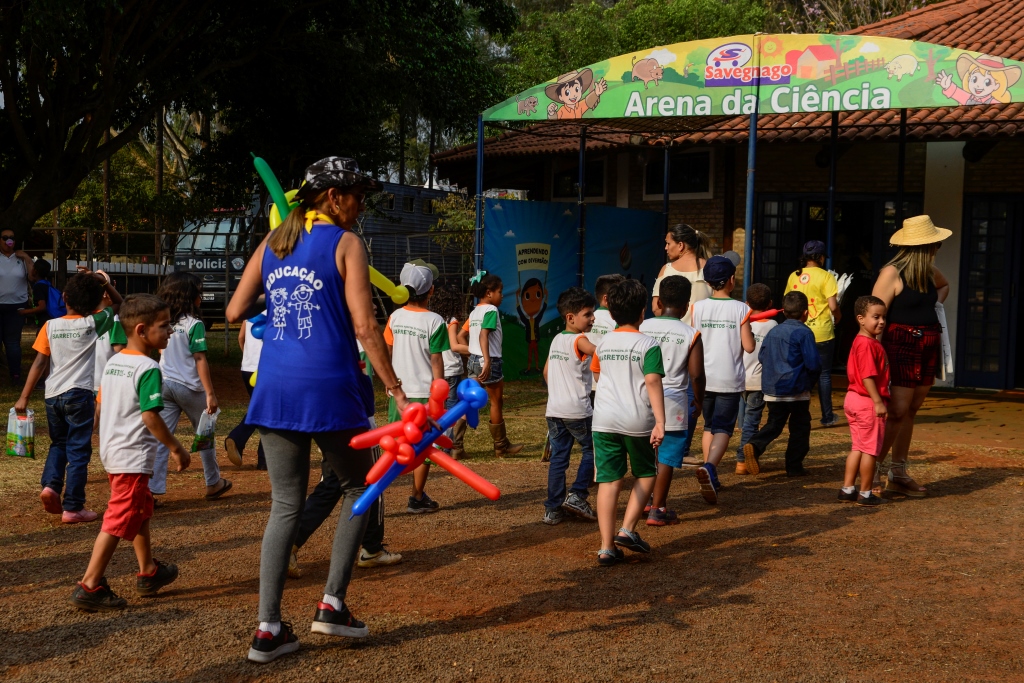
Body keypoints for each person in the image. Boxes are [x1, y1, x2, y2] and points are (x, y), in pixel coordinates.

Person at [227, 156, 410, 663]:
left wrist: (280, 303)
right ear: (334, 196)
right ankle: (332, 605)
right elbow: (365, 325)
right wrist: (395, 389)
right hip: (330, 386)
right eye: (357, 195)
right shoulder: (347, 244)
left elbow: (234, 311)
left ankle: (268, 630)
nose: (361, 205)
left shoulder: (274, 244)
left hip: (276, 388)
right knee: (360, 486)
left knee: (285, 504)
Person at [69, 294, 189, 611]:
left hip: (113, 452)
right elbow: (151, 416)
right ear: (141, 329)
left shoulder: (115, 361)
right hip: (132, 457)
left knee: (141, 508)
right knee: (119, 517)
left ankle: (148, 570)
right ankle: (90, 584)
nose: (170, 333)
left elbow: (101, 404)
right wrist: (176, 448)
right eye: (164, 326)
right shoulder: (149, 368)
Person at [289, 340, 401, 578]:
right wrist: (396, 390)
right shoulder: (357, 333)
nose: (371, 307)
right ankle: (371, 548)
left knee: (331, 485)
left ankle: (291, 542)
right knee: (373, 483)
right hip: (355, 420)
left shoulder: (326, 331)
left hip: (329, 419)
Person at [15, 271, 121, 523]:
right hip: (80, 395)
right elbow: (119, 304)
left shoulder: (49, 326)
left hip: (52, 396)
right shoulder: (93, 323)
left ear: (64, 297)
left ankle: (50, 486)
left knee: (58, 444)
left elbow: (40, 363)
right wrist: (104, 282)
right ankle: (73, 507)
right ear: (95, 302)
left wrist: (24, 397)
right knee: (79, 451)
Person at [871, 215, 951, 498]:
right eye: (936, 243)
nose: (937, 248)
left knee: (912, 409)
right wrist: (873, 355)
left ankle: (899, 472)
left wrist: (935, 309)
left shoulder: (929, 271)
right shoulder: (891, 273)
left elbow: (944, 286)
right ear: (923, 245)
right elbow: (874, 314)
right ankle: (874, 471)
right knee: (897, 411)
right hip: (901, 344)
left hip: (929, 343)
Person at [590, 279, 665, 566]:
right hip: (637, 420)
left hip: (604, 420)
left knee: (609, 481)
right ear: (642, 311)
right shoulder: (648, 343)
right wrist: (660, 421)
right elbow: (652, 380)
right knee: (646, 473)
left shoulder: (603, 341)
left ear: (610, 312)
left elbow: (597, 375)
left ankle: (606, 547)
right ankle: (627, 529)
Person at [150, 272, 231, 501]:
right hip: (190, 388)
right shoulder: (194, 325)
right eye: (199, 291)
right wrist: (210, 394)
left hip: (164, 383)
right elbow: (200, 360)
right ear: (188, 295)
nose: (201, 296)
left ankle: (151, 490)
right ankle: (213, 482)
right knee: (205, 433)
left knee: (162, 437)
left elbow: (159, 350)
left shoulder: (161, 322)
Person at [383, 261, 449, 512]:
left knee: (396, 445)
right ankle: (416, 497)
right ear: (430, 291)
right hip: (424, 395)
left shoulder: (394, 317)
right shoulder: (435, 321)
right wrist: (439, 395)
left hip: (398, 393)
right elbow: (436, 361)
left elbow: (387, 351)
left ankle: (377, 495)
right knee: (422, 447)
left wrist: (389, 384)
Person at [639, 275, 704, 525]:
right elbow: (697, 374)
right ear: (686, 305)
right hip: (674, 401)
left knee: (646, 453)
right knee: (666, 456)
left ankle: (644, 501)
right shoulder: (690, 334)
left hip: (642, 399)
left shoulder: (641, 327)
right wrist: (698, 401)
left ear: (658, 302)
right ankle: (659, 508)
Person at [690, 255, 754, 502]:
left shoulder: (697, 308)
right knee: (724, 427)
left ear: (707, 282)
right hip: (729, 378)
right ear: (731, 280)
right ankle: (710, 468)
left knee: (708, 426)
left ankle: (710, 472)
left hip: (702, 377)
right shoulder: (741, 308)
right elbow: (748, 346)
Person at [742, 291, 821, 477]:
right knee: (800, 427)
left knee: (774, 424)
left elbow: (762, 357)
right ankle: (794, 466)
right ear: (806, 312)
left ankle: (754, 444)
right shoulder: (804, 332)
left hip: (773, 389)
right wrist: (809, 383)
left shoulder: (774, 331)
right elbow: (813, 363)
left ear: (783, 311)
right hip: (797, 389)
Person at [542, 286, 598, 526]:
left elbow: (546, 371)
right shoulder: (580, 339)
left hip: (554, 410)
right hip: (577, 409)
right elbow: (599, 354)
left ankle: (552, 510)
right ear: (570, 317)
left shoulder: (556, 339)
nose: (593, 318)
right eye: (588, 314)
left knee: (558, 459)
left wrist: (558, 390)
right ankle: (577, 495)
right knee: (593, 449)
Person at [458, 273, 523, 457]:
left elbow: (461, 336)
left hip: (473, 360)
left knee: (467, 402)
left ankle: (456, 446)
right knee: (496, 402)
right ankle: (501, 446)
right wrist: (487, 360)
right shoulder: (491, 311)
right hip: (489, 361)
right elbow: (483, 335)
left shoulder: (474, 311)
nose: (502, 295)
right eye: (499, 291)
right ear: (488, 293)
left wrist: (473, 351)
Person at [839, 295, 889, 507]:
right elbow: (868, 376)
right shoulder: (869, 345)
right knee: (870, 450)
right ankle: (866, 492)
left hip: (853, 399)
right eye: (875, 317)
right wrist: (878, 401)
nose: (881, 321)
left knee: (858, 447)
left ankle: (847, 488)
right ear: (861, 318)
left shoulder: (859, 342)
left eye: (883, 317)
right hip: (867, 402)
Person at [786, 241, 842, 427]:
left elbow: (786, 304)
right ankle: (827, 417)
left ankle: (798, 416)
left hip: (797, 332)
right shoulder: (826, 277)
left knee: (799, 372)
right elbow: (833, 306)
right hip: (822, 332)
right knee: (824, 375)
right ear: (820, 257)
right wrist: (839, 317)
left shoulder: (794, 276)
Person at [735, 283, 777, 475]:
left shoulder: (742, 322)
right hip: (759, 380)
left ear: (747, 303)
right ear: (770, 304)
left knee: (745, 420)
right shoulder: (773, 326)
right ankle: (742, 460)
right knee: (752, 420)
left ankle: (744, 457)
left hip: (739, 377)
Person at [429, 284, 470, 459]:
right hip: (451, 370)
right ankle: (447, 446)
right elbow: (454, 345)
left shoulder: (433, 319)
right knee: (453, 412)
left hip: (437, 371)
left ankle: (438, 444)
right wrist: (475, 350)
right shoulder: (451, 321)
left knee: (439, 409)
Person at [225, 311, 267, 470]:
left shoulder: (251, 310)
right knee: (265, 410)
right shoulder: (278, 308)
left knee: (263, 410)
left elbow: (240, 338)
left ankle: (264, 459)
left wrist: (248, 359)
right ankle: (237, 438)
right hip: (266, 368)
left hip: (247, 368)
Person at [651, 223, 712, 323]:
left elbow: (656, 308)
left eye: (668, 243)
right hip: (701, 335)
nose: (666, 248)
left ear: (680, 245)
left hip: (673, 334)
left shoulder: (667, 270)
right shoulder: (709, 267)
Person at [0, 228, 36, 384]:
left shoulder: (21, 258)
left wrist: (27, 258)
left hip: (17, 308)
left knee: (13, 343)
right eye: (5, 238)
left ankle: (15, 375)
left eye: (12, 238)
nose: (9, 241)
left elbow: (33, 277)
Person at [23, 258, 55, 328]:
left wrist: (24, 312)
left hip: (44, 322)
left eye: (33, 267)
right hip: (51, 320)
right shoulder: (47, 284)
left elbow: (42, 307)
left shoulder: (38, 287)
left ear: (35, 271)